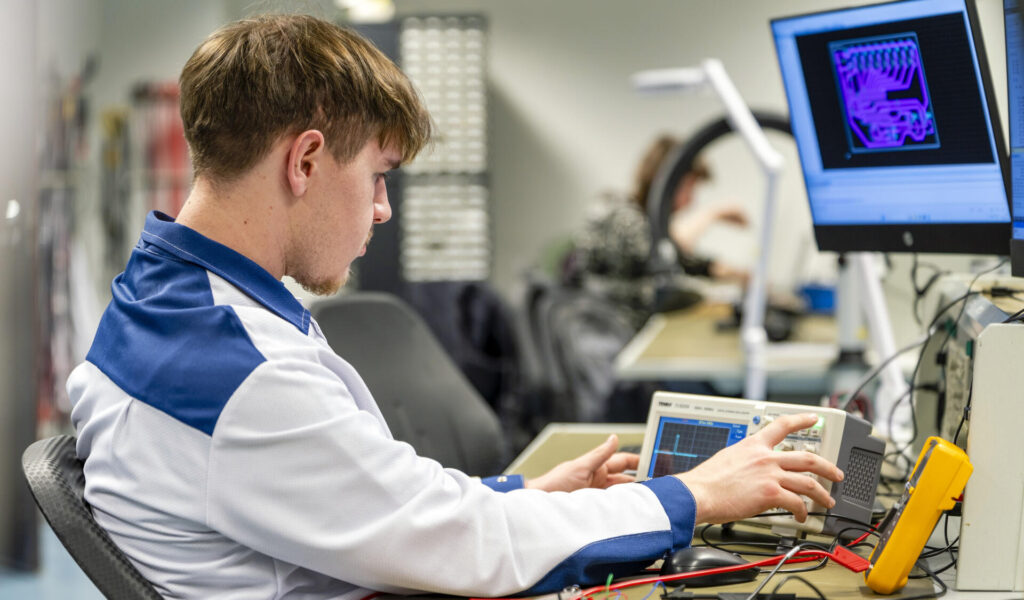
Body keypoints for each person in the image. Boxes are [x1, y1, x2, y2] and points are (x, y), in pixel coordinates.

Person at [67, 14, 843, 599]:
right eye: (377, 176)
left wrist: (522, 493)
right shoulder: (243, 375)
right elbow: (473, 551)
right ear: (304, 160)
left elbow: (361, 499)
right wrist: (693, 494)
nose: (383, 210)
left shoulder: (158, 302)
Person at [566, 134, 749, 328]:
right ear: (664, 180)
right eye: (689, 187)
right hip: (603, 330)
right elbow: (665, 250)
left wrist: (731, 273)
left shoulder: (647, 222)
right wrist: (712, 214)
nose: (691, 200)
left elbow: (685, 260)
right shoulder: (615, 211)